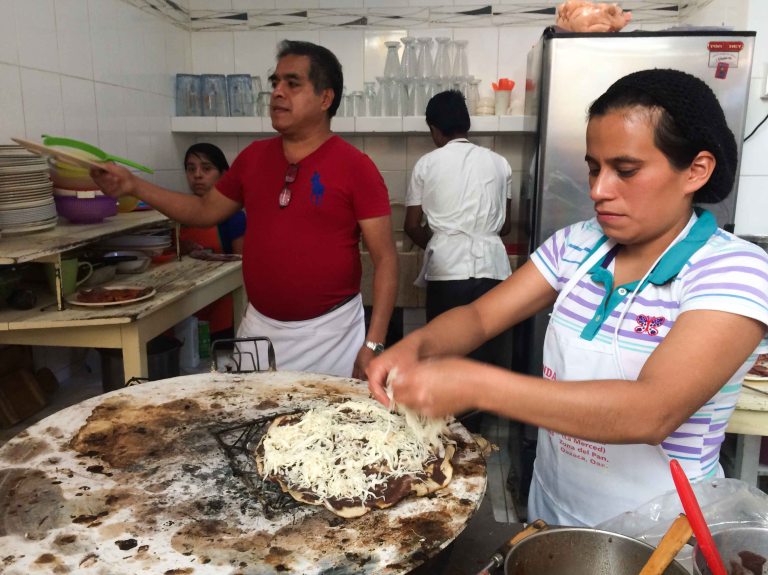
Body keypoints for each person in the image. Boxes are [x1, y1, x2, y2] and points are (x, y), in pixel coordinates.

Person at [367, 68, 768, 526]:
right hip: (553, 511)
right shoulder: (577, 245)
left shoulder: (734, 270)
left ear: (696, 170)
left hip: (661, 535)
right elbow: (479, 317)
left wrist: (476, 384)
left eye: (625, 170)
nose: (598, 190)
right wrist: (416, 347)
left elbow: (652, 411)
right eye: (594, 168)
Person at [92, 40, 398, 379]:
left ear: (325, 98)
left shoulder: (356, 167)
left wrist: (373, 344)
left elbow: (386, 260)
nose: (277, 92)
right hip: (260, 328)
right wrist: (133, 185)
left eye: (292, 83)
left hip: (331, 336)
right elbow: (202, 211)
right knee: (251, 414)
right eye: (275, 82)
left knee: (326, 416)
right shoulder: (253, 158)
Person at [405, 90, 514, 430]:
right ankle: (477, 434)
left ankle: (448, 432)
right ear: (466, 124)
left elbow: (411, 225)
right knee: (484, 357)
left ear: (434, 129)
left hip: (447, 271)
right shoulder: (500, 163)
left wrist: (439, 243)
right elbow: (506, 226)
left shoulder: (427, 164)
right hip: (494, 269)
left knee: (444, 354)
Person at [179, 143, 246, 343]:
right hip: (185, 309)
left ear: (223, 175)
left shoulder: (233, 217)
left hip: (223, 312)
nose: (197, 175)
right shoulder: (179, 214)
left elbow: (242, 265)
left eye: (206, 169)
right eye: (191, 169)